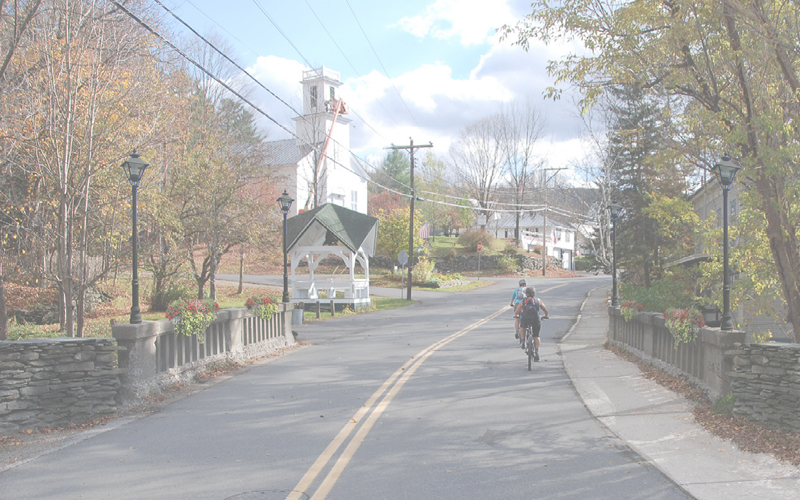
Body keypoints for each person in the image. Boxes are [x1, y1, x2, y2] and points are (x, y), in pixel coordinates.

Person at [514, 287, 549, 361]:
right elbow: (545, 310)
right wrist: (545, 315)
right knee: (536, 335)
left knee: (522, 327)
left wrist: (516, 315)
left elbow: (516, 311)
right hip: (536, 319)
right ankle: (536, 352)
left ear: (526, 294)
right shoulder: (538, 300)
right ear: (534, 293)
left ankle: (523, 341)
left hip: (525, 319)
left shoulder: (523, 301)